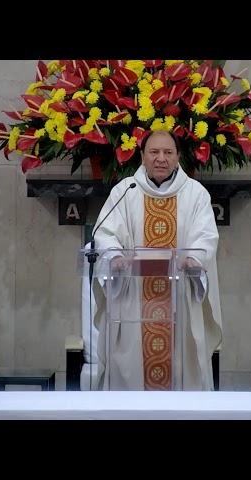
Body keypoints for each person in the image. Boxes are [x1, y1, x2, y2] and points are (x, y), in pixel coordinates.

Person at [90, 130, 222, 391]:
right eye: (154, 152)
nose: (161, 158)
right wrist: (114, 256)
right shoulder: (125, 191)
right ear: (142, 156)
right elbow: (105, 233)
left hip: (180, 303)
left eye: (168, 152)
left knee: (182, 371)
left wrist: (195, 258)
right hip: (132, 303)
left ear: (177, 157)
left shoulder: (195, 194)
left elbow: (205, 237)